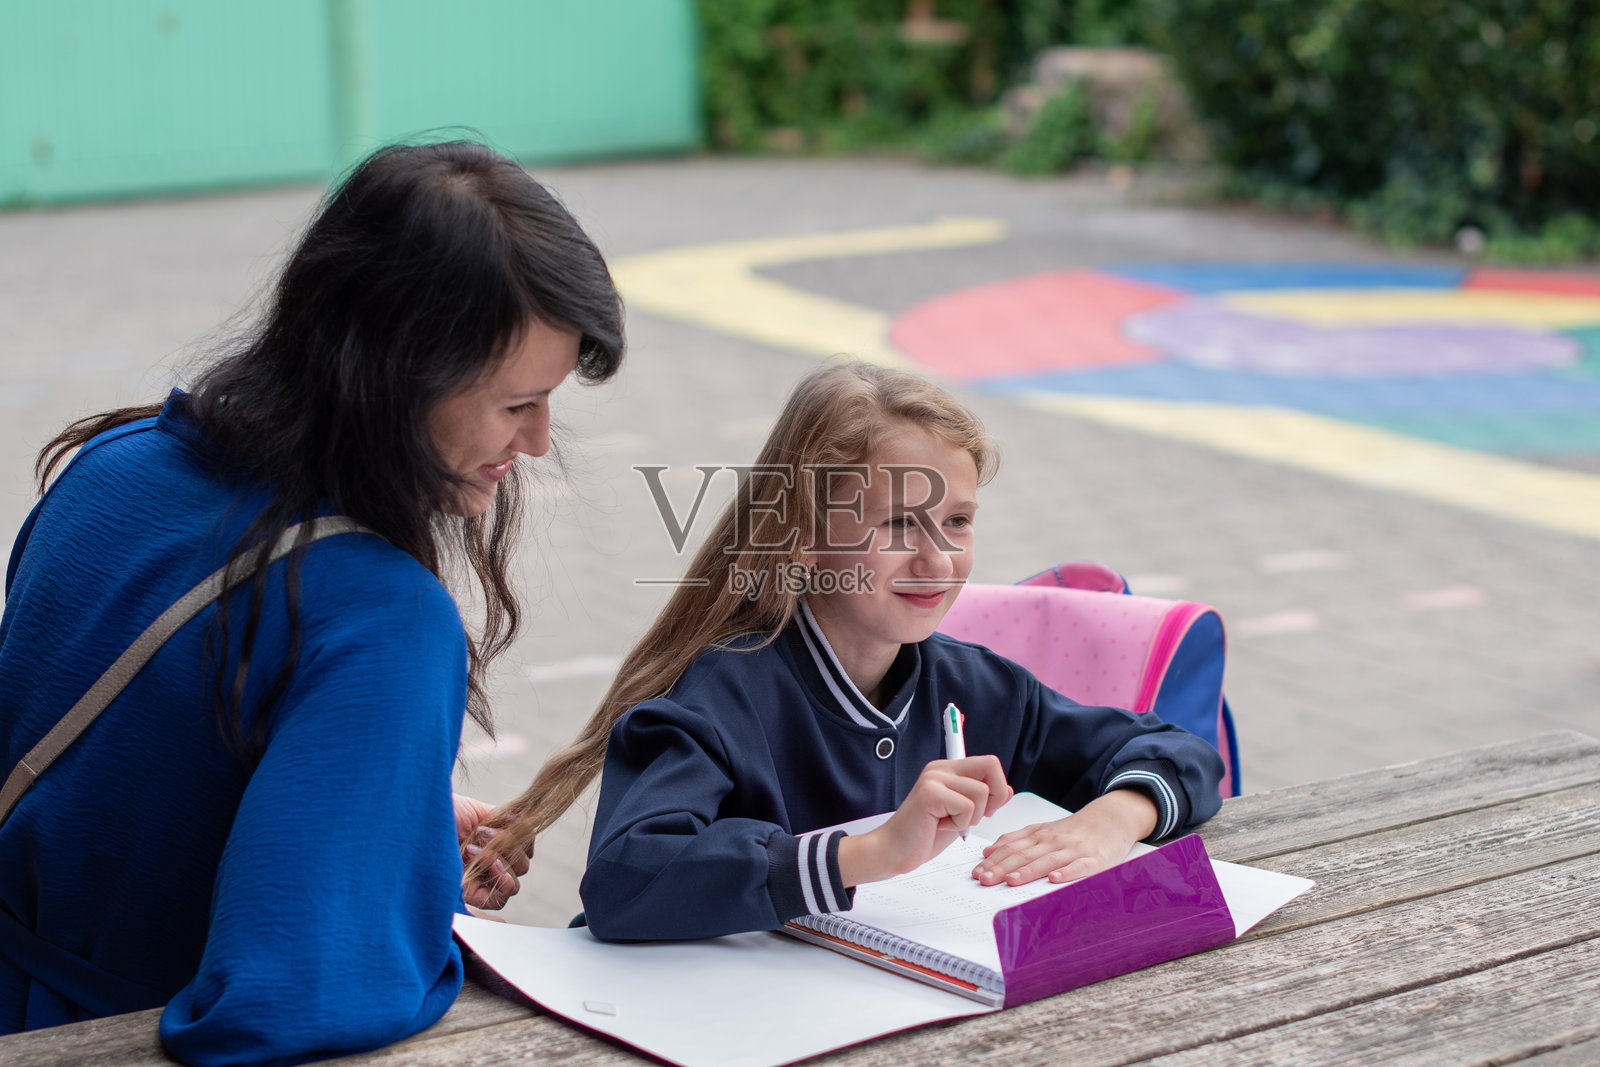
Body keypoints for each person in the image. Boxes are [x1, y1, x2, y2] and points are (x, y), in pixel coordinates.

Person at [0, 140, 624, 1062]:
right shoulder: (381, 614)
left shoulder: (111, 463)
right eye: (514, 403)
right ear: (395, 375)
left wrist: (387, 800)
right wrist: (396, 879)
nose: (534, 441)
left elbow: (128, 764)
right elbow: (302, 994)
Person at [480, 360, 1224, 943]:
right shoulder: (719, 694)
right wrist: (865, 853)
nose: (937, 560)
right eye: (899, 524)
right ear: (802, 535)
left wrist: (1110, 818)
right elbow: (625, 881)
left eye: (957, 520)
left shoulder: (978, 686)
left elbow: (1180, 751)